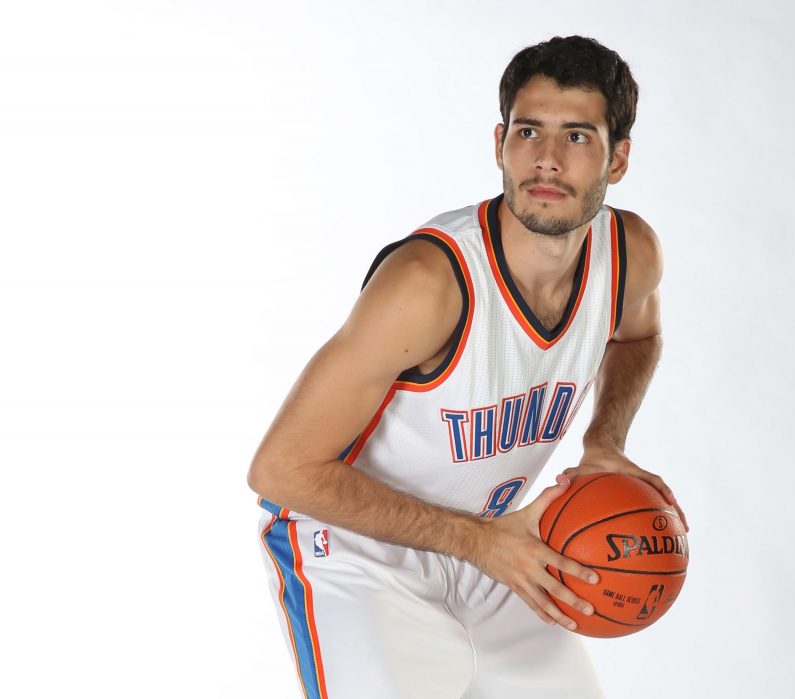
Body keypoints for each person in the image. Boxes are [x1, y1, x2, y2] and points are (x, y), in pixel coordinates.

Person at [248, 35, 686, 699]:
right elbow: (281, 470)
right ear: (500, 144)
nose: (545, 158)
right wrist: (480, 543)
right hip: (361, 548)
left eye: (576, 136)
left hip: (500, 537)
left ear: (617, 158)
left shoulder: (629, 254)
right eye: (528, 131)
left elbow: (638, 336)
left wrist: (604, 441)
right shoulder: (430, 283)